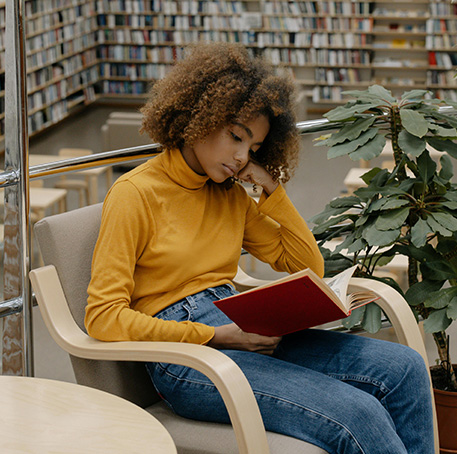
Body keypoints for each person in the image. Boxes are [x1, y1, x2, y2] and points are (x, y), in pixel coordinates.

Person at [85, 43, 434, 453]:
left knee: (405, 367)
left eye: (252, 149)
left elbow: (307, 263)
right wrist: (216, 335)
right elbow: (102, 317)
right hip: (186, 357)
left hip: (241, 323)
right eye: (235, 136)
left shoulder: (229, 195)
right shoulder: (135, 194)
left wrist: (272, 189)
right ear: (199, 115)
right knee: (358, 413)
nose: (239, 157)